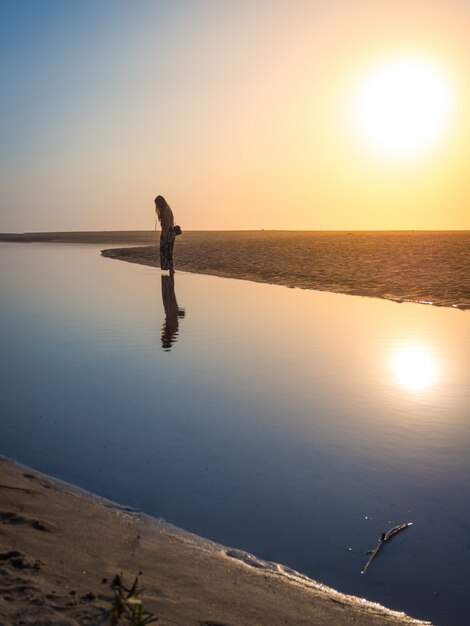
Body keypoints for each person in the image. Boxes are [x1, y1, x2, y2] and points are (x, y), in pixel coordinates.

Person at [155, 195, 176, 274]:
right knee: (167, 251)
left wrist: (164, 235)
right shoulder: (166, 209)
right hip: (168, 232)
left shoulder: (166, 209)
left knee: (168, 251)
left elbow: (166, 224)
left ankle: (171, 269)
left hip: (168, 233)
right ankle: (170, 269)